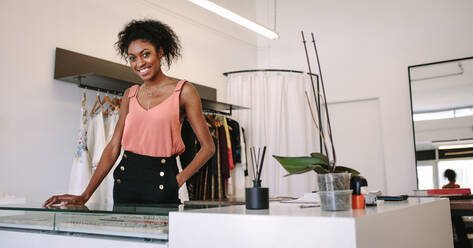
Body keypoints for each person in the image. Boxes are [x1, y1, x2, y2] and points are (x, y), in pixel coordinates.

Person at [44, 19, 215, 206]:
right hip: (125, 182)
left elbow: (208, 147)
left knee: (160, 235)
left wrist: (178, 180)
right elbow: (113, 147)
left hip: (163, 182)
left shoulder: (183, 91)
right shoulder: (130, 94)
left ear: (160, 52)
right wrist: (85, 195)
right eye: (132, 57)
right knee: (123, 235)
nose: (139, 63)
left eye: (145, 54)